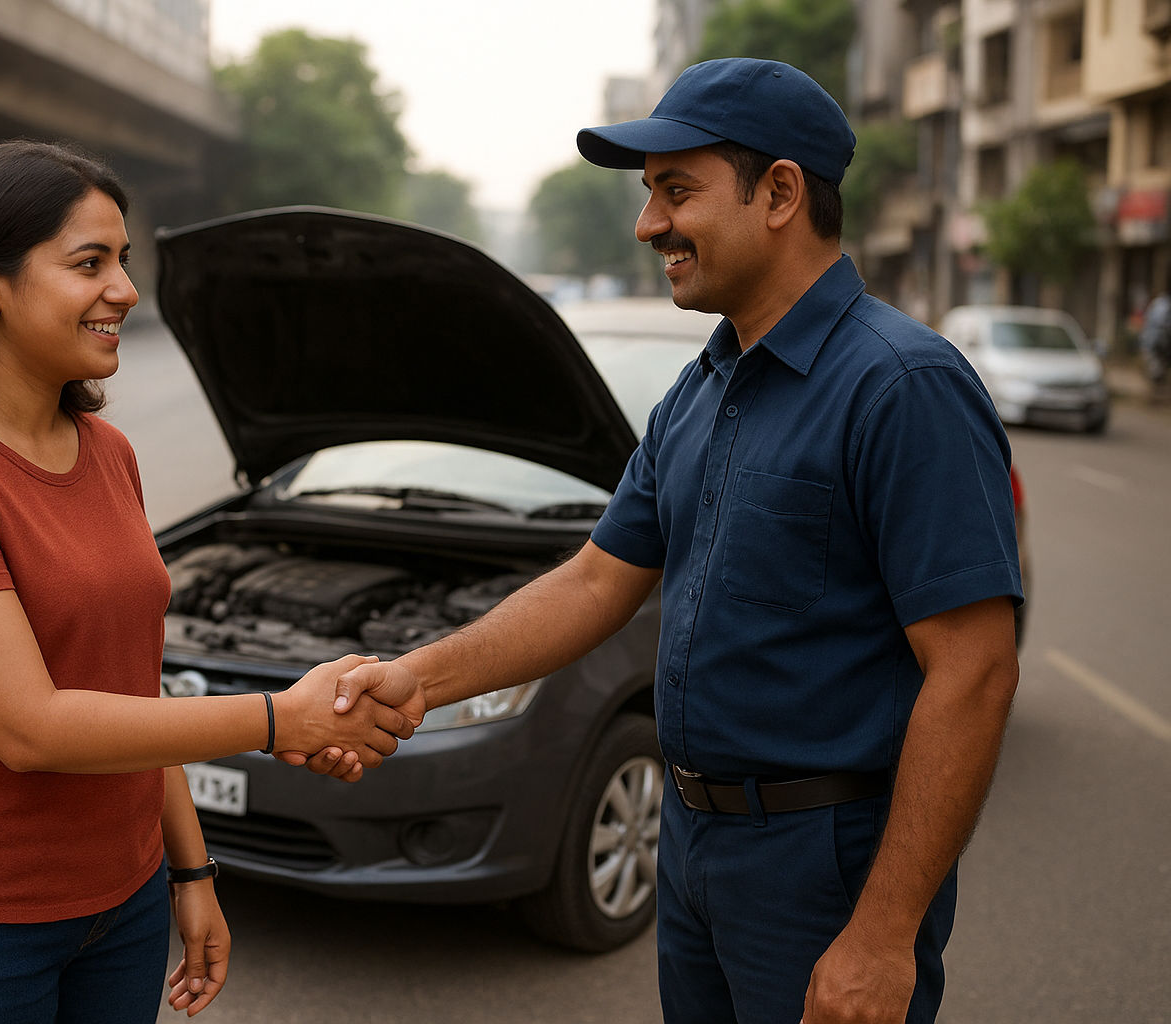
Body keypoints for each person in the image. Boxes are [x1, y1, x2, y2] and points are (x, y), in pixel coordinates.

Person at [314, 59, 1023, 1024]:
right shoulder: (701, 387)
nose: (649, 226)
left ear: (779, 192)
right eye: (650, 196)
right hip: (690, 846)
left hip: (824, 863)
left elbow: (974, 670)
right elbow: (596, 581)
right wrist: (420, 678)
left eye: (676, 192)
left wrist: (883, 933)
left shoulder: (902, 386)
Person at [0, 140, 414, 1024]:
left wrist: (190, 869)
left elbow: (129, 686)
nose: (125, 291)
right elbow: (29, 727)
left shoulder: (108, 454)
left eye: (125, 261)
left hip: (121, 904)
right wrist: (277, 718)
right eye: (89, 263)